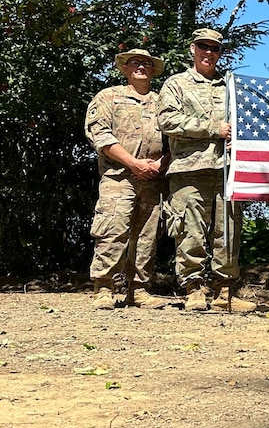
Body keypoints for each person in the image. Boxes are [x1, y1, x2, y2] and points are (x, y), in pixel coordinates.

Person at [158, 28, 255, 313]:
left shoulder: (231, 87)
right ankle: (194, 290)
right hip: (190, 170)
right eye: (204, 47)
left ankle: (224, 291)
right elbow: (167, 120)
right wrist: (213, 129)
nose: (209, 53)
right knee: (191, 232)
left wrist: (238, 140)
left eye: (215, 48)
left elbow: (245, 123)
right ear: (193, 49)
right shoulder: (176, 84)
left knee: (228, 231)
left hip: (226, 170)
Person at [84, 47, 170, 310]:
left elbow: (175, 142)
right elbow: (100, 135)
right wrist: (133, 163)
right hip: (118, 177)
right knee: (112, 230)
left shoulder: (163, 102)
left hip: (153, 179)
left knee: (146, 236)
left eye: (146, 63)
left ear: (153, 70)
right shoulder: (108, 97)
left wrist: (159, 164)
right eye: (134, 62)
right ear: (124, 68)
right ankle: (104, 288)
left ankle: (139, 290)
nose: (141, 67)